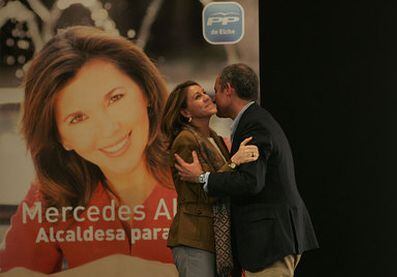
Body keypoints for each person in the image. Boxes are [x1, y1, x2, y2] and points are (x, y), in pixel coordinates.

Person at [0, 26, 177, 274]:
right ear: (61, 138)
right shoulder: (52, 193)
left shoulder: (218, 163)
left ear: (145, 91)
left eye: (115, 98)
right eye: (78, 118)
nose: (108, 129)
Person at [175, 63, 319, 276]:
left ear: (228, 89)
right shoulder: (250, 122)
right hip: (224, 239)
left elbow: (250, 182)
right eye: (199, 96)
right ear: (184, 111)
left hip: (270, 239)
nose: (211, 97)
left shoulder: (253, 125)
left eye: (214, 90)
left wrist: (203, 177)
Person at [161, 81, 259, 277]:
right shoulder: (185, 140)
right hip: (195, 238)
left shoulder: (214, 137)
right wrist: (234, 161)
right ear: (186, 113)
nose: (206, 97)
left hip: (214, 238)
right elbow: (203, 192)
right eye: (197, 97)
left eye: (204, 93)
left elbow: (217, 181)